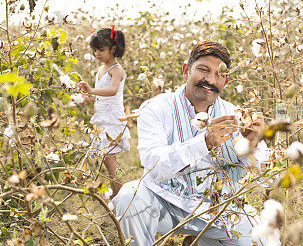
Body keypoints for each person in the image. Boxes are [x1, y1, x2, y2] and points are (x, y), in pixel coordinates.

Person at [113, 41, 272, 245]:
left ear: (226, 81)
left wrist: (253, 145)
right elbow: (153, 165)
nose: (210, 80)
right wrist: (204, 142)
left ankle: (200, 242)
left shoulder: (237, 116)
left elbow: (267, 179)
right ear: (186, 70)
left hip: (219, 208)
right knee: (129, 196)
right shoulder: (156, 108)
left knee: (265, 240)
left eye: (219, 74)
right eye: (203, 70)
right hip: (163, 200)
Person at [78, 26, 130, 197]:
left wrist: (91, 91)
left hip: (112, 120)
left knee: (109, 160)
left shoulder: (116, 69)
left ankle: (121, 196)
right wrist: (87, 97)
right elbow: (102, 95)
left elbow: (113, 91)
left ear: (113, 49)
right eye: (94, 51)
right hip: (102, 119)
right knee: (107, 160)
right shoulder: (101, 70)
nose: (97, 54)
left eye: (101, 50)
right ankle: (117, 195)